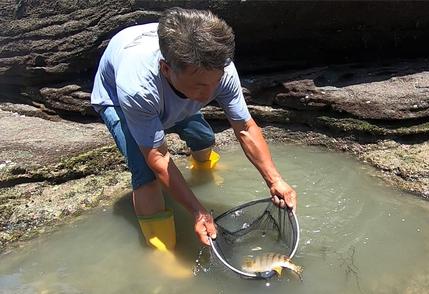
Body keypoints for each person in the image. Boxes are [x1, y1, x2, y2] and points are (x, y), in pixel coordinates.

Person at [91, 7, 297, 251]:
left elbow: (244, 127)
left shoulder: (218, 67)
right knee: (146, 174)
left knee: (203, 136)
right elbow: (158, 157)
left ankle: (203, 168)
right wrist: (198, 212)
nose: (209, 94)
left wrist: (275, 180)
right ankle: (161, 250)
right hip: (118, 97)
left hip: (171, 86)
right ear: (166, 69)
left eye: (215, 82)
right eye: (200, 86)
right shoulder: (137, 88)